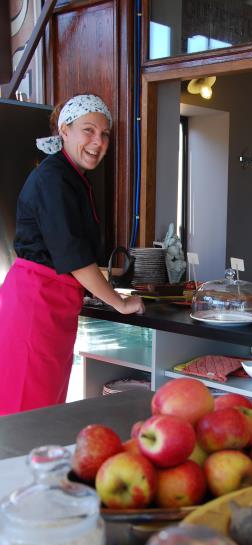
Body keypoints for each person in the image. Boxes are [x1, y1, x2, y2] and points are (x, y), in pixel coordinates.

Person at [0, 93, 144, 415]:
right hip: (35, 305)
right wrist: (118, 302)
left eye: (105, 133)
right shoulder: (54, 177)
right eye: (88, 130)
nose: (98, 141)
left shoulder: (72, 177)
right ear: (64, 130)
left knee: (44, 408)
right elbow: (74, 257)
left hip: (50, 305)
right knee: (26, 413)